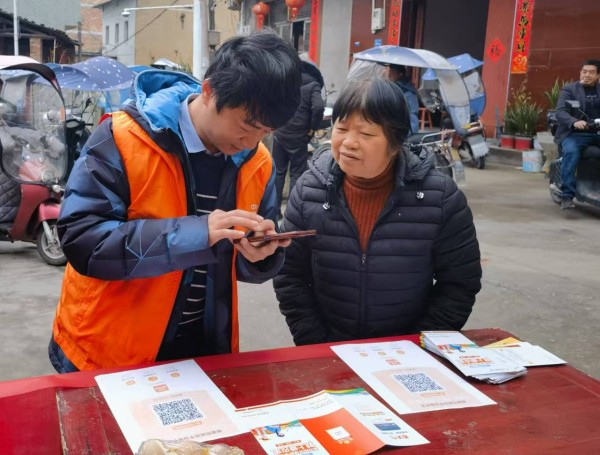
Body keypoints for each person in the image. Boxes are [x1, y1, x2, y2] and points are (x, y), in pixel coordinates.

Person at [48, 32, 302, 372]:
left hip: (203, 349)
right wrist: (198, 233)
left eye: (265, 131)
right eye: (248, 124)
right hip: (111, 351)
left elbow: (238, 265)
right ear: (209, 92)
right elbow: (83, 241)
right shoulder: (123, 138)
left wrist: (260, 255)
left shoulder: (258, 163)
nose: (251, 141)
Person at [273, 78, 481, 345]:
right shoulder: (308, 191)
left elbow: (460, 283)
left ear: (395, 142)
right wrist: (315, 342)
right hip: (328, 348)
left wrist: (419, 345)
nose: (348, 142)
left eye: (366, 134)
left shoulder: (439, 198)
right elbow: (289, 275)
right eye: (342, 128)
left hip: (410, 352)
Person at [272, 59, 325, 219]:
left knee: (278, 172)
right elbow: (319, 107)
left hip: (280, 132)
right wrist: (312, 127)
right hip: (298, 135)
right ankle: (290, 211)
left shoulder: (287, 83)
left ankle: (274, 212)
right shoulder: (313, 85)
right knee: (296, 172)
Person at [554, 59, 600, 209]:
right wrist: (574, 121)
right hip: (574, 133)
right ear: (580, 72)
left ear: (598, 75)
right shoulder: (569, 90)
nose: (587, 75)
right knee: (572, 152)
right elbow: (560, 112)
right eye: (584, 71)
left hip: (597, 132)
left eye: (591, 72)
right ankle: (567, 195)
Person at [388, 64, 420, 134]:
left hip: (407, 126)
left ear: (400, 74)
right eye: (389, 73)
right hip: (408, 125)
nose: (389, 75)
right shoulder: (407, 86)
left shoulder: (401, 89)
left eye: (392, 73)